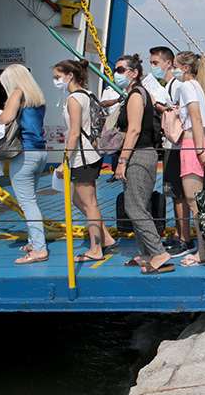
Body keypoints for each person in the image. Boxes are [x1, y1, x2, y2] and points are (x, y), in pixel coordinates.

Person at [113, 54, 173, 274]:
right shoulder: (134, 94)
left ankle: (159, 253)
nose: (116, 74)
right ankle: (146, 251)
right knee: (140, 204)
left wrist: (122, 161)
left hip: (138, 155)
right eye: (115, 70)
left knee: (134, 207)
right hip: (139, 154)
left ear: (134, 72)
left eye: (121, 70)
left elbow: (135, 129)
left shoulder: (137, 95)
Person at [53, 59, 118, 262]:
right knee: (78, 200)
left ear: (69, 75)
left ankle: (95, 248)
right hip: (92, 152)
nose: (55, 81)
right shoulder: (89, 95)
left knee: (89, 203)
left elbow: (74, 133)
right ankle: (105, 237)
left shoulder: (74, 99)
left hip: (82, 155)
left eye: (57, 77)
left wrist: (65, 160)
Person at [171, 51, 205, 266]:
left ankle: (202, 251)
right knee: (200, 202)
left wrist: (198, 149)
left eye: (174, 66)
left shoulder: (187, 86)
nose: (171, 70)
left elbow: (196, 118)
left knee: (194, 204)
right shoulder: (198, 86)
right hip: (200, 144)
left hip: (192, 145)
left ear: (185, 68)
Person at [0, 64, 49, 264]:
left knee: (27, 203)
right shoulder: (37, 97)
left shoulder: (18, 93)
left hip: (24, 154)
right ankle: (33, 240)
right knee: (32, 199)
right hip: (40, 152)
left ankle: (38, 248)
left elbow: (6, 118)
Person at [149, 46, 190, 256]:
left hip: (176, 145)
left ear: (168, 63)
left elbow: (178, 113)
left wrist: (162, 108)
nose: (153, 67)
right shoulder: (169, 85)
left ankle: (185, 238)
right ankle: (179, 232)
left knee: (178, 193)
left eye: (156, 63)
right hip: (170, 145)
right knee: (173, 193)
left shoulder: (176, 86)